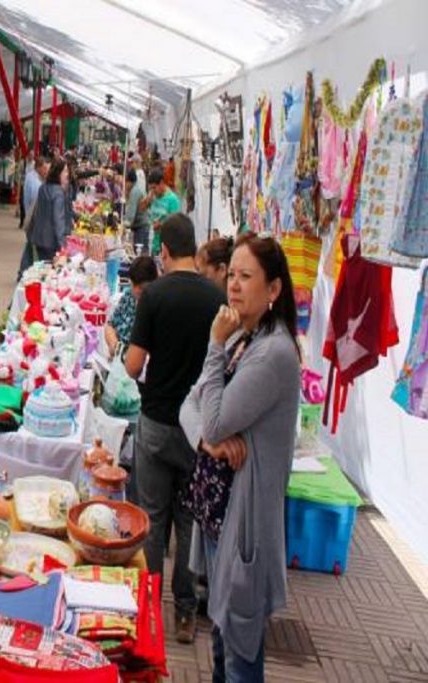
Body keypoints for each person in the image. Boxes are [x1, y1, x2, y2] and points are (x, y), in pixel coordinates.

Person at [179, 234, 300, 680]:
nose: (233, 285)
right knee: (222, 642)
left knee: (241, 657)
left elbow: (210, 418)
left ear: (273, 290)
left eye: (246, 276)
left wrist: (213, 346)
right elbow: (189, 408)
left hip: (243, 527)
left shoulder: (272, 353)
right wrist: (208, 444)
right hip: (219, 519)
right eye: (231, 274)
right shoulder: (244, 339)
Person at [123, 213, 225, 644]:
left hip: (158, 422)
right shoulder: (214, 299)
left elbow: (133, 364)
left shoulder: (155, 295)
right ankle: (185, 613)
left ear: (163, 251)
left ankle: (147, 606)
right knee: (187, 522)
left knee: (151, 517)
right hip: (198, 428)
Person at [104, 255, 158, 356]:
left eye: (142, 288)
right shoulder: (129, 296)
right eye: (133, 285)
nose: (136, 291)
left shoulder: (157, 310)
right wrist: (114, 345)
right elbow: (110, 325)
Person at [27, 158, 72, 263]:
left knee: (42, 266)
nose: (67, 174)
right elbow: (58, 220)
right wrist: (62, 245)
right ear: (58, 173)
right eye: (65, 171)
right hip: (51, 241)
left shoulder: (43, 187)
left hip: (39, 238)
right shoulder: (58, 193)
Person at [139, 167, 181, 256]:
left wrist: (161, 225)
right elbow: (141, 209)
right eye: (150, 188)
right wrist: (147, 200)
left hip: (165, 246)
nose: (153, 191)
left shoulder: (172, 200)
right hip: (152, 243)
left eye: (154, 188)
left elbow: (175, 224)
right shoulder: (153, 195)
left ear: (162, 183)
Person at [123, 166, 150, 254]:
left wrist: (124, 226)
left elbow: (131, 213)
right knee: (142, 252)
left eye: (125, 182)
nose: (125, 185)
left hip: (141, 226)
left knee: (139, 254)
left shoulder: (135, 192)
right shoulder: (136, 188)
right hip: (141, 225)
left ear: (129, 182)